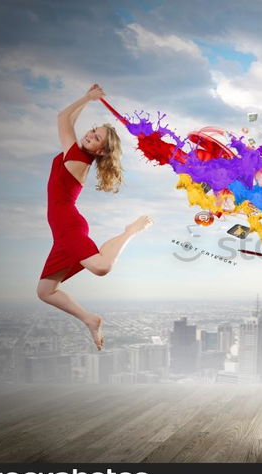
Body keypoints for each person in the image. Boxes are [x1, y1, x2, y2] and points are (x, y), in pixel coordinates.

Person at [36, 84, 153, 350]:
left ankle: (130, 231)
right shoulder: (75, 150)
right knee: (45, 292)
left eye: (97, 137)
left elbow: (62, 119)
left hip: (69, 227)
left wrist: (88, 98)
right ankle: (90, 319)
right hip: (62, 232)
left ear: (100, 151)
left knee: (101, 267)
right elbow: (71, 121)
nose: (90, 134)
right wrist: (86, 102)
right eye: (93, 131)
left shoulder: (77, 157)